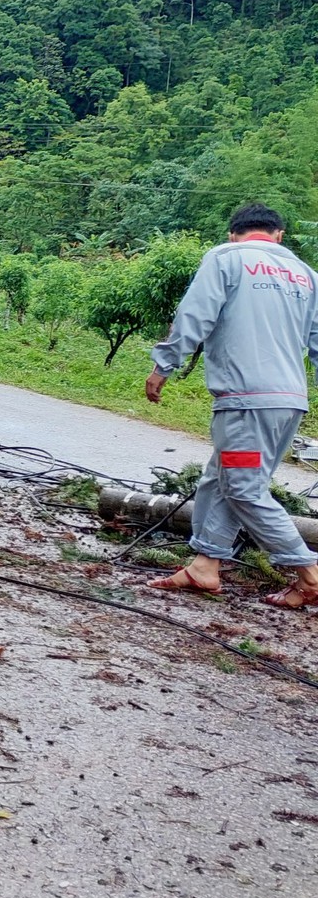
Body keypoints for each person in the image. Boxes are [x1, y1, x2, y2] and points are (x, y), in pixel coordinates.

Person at [145, 202, 318, 609]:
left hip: (247, 401)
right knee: (219, 477)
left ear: (233, 233)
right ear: (279, 235)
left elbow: (194, 314)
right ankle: (205, 565)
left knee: (243, 488)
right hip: (289, 403)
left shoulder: (225, 258)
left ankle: (308, 573)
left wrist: (164, 364)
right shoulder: (306, 275)